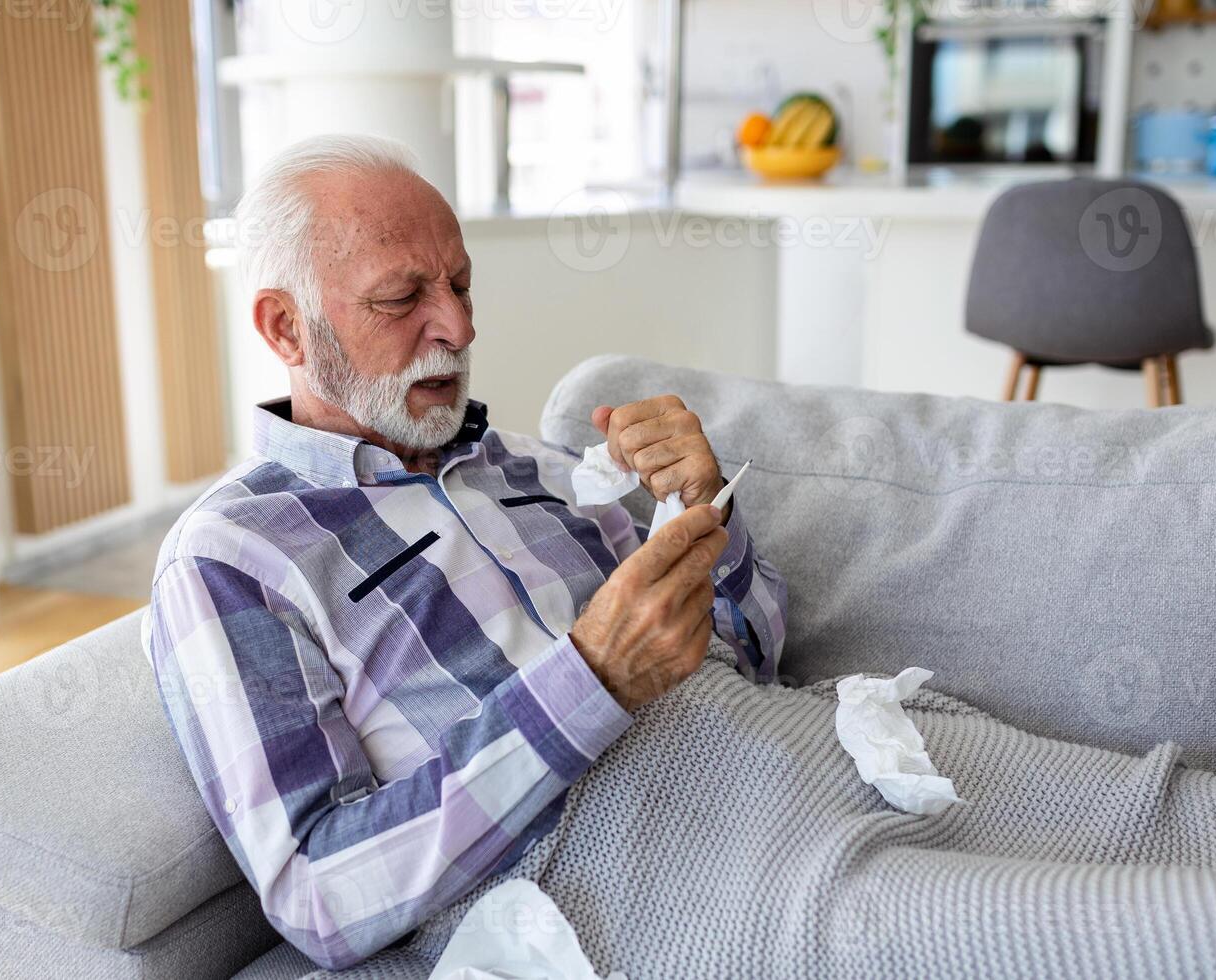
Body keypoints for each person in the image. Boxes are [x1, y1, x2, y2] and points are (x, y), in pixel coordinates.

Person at [142, 134, 788, 970]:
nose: (458, 324)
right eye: (401, 297)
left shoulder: (543, 469)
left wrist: (707, 517)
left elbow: (764, 655)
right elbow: (318, 893)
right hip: (685, 884)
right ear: (285, 328)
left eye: (458, 284)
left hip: (801, 773)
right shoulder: (233, 557)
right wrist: (592, 679)